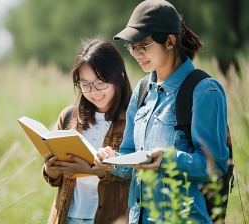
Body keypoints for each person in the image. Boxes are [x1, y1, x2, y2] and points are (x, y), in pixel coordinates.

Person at [93, 0, 230, 223]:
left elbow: (215, 165)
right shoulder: (142, 89)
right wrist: (113, 159)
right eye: (131, 46)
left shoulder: (204, 90)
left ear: (169, 41)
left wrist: (168, 159)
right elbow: (131, 156)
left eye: (142, 45)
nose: (135, 54)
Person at [42, 36, 133, 224]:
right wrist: (50, 169)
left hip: (111, 218)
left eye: (101, 82)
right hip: (66, 217)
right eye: (85, 84)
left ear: (120, 78)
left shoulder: (134, 120)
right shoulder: (68, 117)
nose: (93, 91)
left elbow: (137, 175)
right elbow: (56, 180)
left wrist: (92, 170)